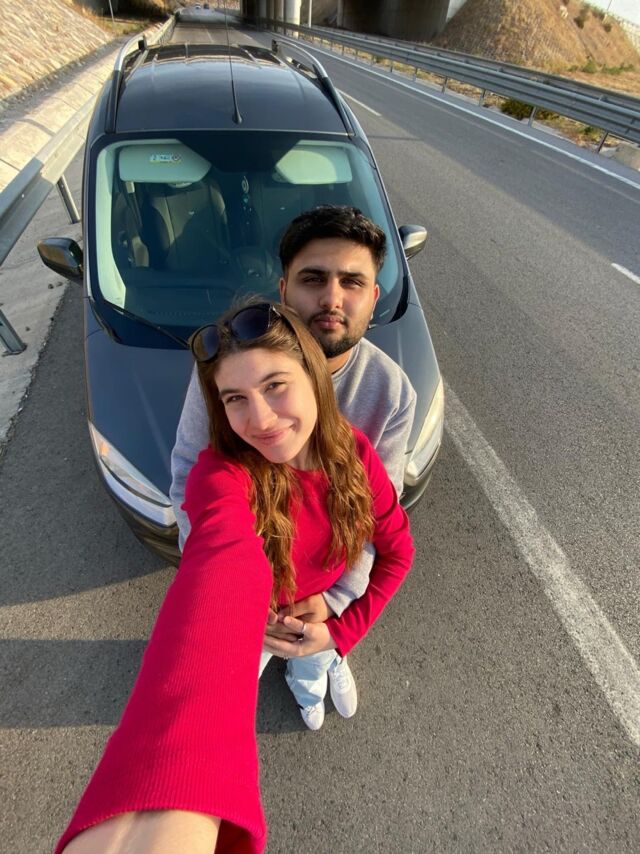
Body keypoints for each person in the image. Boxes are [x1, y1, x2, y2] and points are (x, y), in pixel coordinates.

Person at [55, 300, 414, 854]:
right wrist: (165, 788)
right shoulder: (223, 476)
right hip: (253, 623)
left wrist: (340, 632)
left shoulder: (357, 456)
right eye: (235, 399)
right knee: (238, 684)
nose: (261, 420)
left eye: (275, 386)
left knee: (314, 663)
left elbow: (398, 552)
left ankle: (314, 677)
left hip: (322, 613)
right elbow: (217, 561)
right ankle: (292, 673)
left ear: (315, 377)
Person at [170, 205, 417, 722]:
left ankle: (321, 668)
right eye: (313, 279)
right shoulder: (227, 372)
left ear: (373, 297)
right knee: (234, 679)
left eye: (352, 282)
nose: (332, 298)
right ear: (283, 291)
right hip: (254, 592)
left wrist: (337, 610)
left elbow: (379, 523)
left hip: (327, 592)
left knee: (314, 656)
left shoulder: (390, 395)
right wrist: (233, 595)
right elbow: (195, 488)